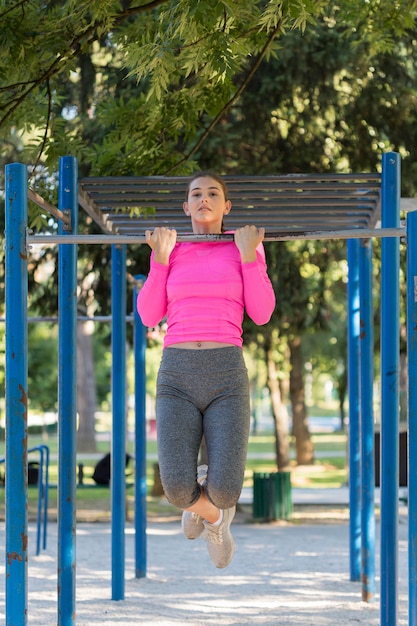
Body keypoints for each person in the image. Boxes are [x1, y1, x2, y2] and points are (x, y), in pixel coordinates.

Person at [137, 171, 275, 569]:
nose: (204, 199)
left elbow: (263, 313)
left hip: (226, 373)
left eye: (213, 193)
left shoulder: (243, 247)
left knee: (227, 489)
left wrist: (250, 255)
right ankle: (215, 519)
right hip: (177, 373)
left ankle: (217, 507)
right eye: (196, 193)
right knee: (178, 489)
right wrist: (160, 260)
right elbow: (148, 314)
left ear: (226, 207)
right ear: (186, 206)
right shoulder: (171, 250)